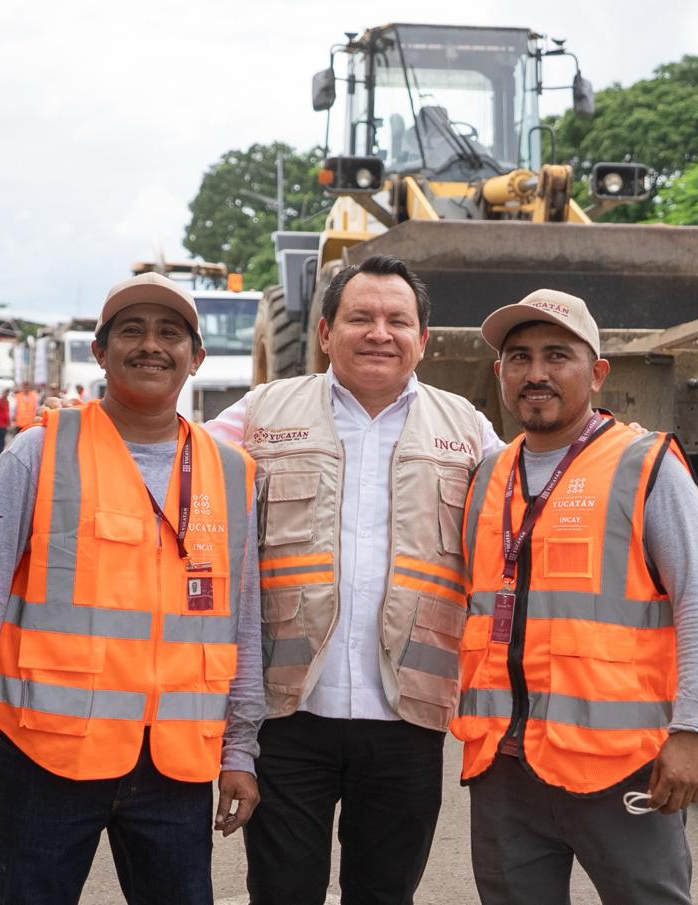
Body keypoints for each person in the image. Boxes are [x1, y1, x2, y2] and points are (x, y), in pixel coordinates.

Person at [0, 272, 264, 905]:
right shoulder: (39, 453)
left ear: (196, 357)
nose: (151, 345)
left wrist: (240, 750)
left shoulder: (231, 473)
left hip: (175, 766)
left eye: (170, 333)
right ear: (101, 353)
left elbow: (241, 622)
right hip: (50, 758)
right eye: (131, 331)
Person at [206, 254, 504, 905]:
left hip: (408, 719)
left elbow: (534, 499)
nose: (379, 333)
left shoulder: (467, 431)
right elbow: (171, 458)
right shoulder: (263, 414)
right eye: (360, 317)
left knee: (384, 894)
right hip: (289, 716)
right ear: (324, 332)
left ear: (423, 339)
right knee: (283, 893)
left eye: (398, 320)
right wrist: (75, 424)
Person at [451, 289, 698, 905]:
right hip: (505, 766)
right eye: (520, 358)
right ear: (500, 373)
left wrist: (692, 731)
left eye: (558, 355)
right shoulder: (488, 477)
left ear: (598, 372)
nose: (536, 373)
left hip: (621, 766)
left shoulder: (644, 466)